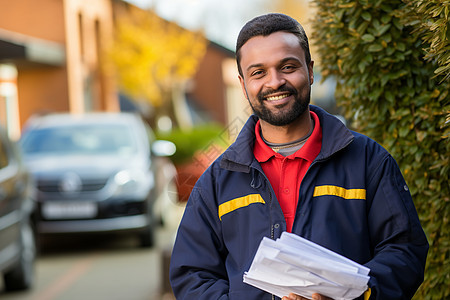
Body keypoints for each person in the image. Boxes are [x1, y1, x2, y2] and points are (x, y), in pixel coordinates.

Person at [169, 13, 428, 300]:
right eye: (259, 73)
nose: (275, 82)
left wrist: (358, 296)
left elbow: (404, 250)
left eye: (288, 66)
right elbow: (192, 273)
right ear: (243, 85)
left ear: (311, 70)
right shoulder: (217, 181)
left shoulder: (369, 161)